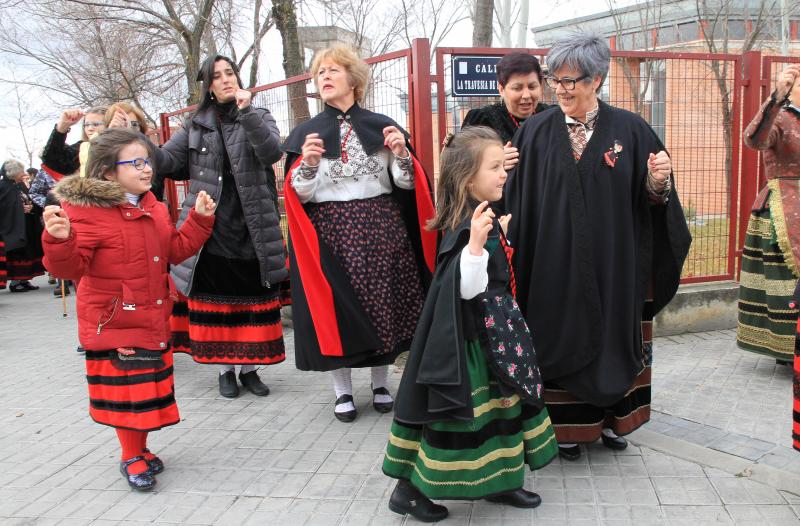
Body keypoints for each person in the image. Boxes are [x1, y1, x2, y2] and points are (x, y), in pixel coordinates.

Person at [503, 33, 692, 461]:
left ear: (598, 79)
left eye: (574, 80)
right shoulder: (533, 132)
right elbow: (515, 196)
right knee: (557, 334)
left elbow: (652, 202)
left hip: (614, 264)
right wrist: (496, 166)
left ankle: (614, 422)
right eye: (557, 79)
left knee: (612, 337)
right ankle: (566, 430)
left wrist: (658, 183)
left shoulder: (632, 129)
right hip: (552, 265)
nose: (562, 89)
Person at [383, 127, 557, 522]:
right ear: (467, 178)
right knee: (456, 414)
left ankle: (499, 480)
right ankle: (407, 492)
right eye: (494, 167)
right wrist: (478, 247)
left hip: (497, 334)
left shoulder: (481, 214)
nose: (503, 174)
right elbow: (464, 288)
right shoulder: (467, 225)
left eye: (502, 167)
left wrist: (499, 239)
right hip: (472, 342)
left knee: (502, 409)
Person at [41, 128, 216, 490]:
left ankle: (141, 449)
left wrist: (199, 220)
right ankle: (130, 456)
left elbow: (174, 251)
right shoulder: (84, 212)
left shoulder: (153, 205)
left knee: (147, 392)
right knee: (129, 398)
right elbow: (70, 269)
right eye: (135, 162)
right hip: (115, 321)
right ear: (107, 171)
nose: (146, 168)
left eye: (146, 160)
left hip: (151, 316)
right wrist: (57, 241)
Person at [282, 44, 436, 422]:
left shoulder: (382, 125)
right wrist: (310, 164)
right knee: (339, 308)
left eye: (333, 70)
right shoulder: (307, 134)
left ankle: (381, 384)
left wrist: (402, 154)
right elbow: (299, 195)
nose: (325, 77)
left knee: (384, 305)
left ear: (354, 79)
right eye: (320, 73)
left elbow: (402, 183)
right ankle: (342, 391)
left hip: (382, 228)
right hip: (332, 232)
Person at [154, 55, 288, 398]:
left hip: (252, 226)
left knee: (249, 299)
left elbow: (271, 152)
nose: (226, 80)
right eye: (217, 76)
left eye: (230, 73)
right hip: (210, 226)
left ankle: (250, 369)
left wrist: (246, 113)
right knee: (218, 302)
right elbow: (168, 161)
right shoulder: (196, 124)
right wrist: (138, 143)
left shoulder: (258, 115)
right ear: (209, 87)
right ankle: (225, 371)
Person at [737, 65, 800, 366]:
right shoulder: (780, 118)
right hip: (783, 212)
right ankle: (788, 349)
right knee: (786, 278)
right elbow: (753, 140)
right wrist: (775, 97)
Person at [2, 160, 44, 292]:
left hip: (26, 224)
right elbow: (4, 207)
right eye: (21, 171)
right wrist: (20, 209)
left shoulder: (18, 185)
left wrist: (30, 207)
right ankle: (16, 281)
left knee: (27, 250)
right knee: (17, 252)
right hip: (13, 227)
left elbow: (27, 198)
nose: (23, 173)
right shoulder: (3, 186)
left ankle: (24, 280)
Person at [41, 106, 107, 178]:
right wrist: (62, 127)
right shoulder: (81, 148)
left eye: (96, 124)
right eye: (87, 125)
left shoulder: (118, 146)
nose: (90, 129)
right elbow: (52, 160)